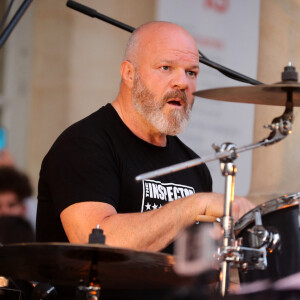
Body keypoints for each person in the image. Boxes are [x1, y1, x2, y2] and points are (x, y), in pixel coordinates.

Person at [36, 21, 253, 253]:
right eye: (166, 68)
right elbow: (94, 241)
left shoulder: (194, 167)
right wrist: (194, 205)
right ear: (129, 73)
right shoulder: (83, 145)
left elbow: (200, 271)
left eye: (191, 72)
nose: (183, 83)